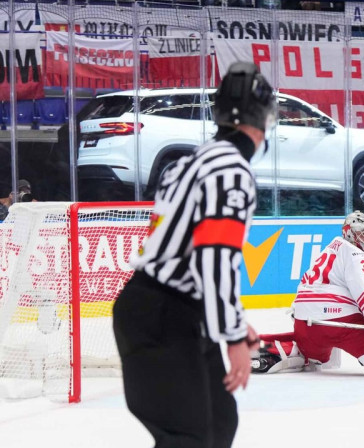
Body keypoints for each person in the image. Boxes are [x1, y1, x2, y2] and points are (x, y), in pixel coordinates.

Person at [112, 62, 275, 448]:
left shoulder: (192, 161)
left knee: (218, 424)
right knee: (191, 437)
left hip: (170, 312)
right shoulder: (231, 171)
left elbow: (187, 253)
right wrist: (233, 336)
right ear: (264, 119)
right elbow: (214, 257)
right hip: (162, 316)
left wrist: (231, 320)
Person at [250, 211, 364, 382]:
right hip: (340, 324)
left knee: (313, 355)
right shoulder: (357, 256)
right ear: (350, 234)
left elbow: (303, 292)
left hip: (306, 324)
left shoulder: (328, 251)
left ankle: (276, 352)